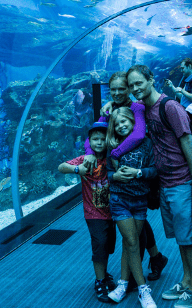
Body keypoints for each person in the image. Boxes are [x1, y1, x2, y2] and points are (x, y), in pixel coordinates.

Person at [127, 64, 192, 308]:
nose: (135, 88)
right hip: (165, 182)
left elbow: (187, 140)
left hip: (181, 180)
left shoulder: (169, 106)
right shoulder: (144, 109)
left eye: (139, 82)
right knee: (181, 237)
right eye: (131, 85)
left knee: (187, 237)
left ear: (151, 79)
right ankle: (186, 279)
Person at [85, 72, 169, 283]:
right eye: (113, 89)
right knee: (133, 224)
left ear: (129, 88)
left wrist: (115, 153)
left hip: (140, 172)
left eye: (122, 88)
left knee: (137, 224)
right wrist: (88, 151)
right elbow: (96, 133)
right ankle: (154, 258)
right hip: (117, 180)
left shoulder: (136, 108)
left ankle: (136, 272)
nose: (117, 93)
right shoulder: (108, 109)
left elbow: (139, 134)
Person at [104, 108, 158, 308]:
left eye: (125, 121)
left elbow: (154, 170)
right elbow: (107, 174)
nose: (121, 125)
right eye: (117, 124)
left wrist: (138, 173)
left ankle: (122, 284)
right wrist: (114, 177)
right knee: (133, 242)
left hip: (140, 201)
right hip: (120, 200)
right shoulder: (113, 145)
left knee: (130, 244)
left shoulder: (146, 143)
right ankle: (144, 290)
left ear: (134, 121)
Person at [58, 121, 118, 303]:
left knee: (107, 245)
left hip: (113, 211)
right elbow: (61, 167)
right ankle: (99, 282)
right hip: (94, 213)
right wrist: (78, 169)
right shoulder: (85, 159)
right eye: (95, 139)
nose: (99, 142)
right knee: (99, 244)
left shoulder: (113, 158)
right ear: (89, 141)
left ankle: (104, 274)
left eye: (102, 139)